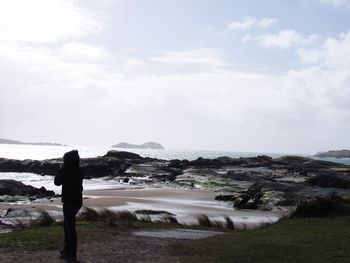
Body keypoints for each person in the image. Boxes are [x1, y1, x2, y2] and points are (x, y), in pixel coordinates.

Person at [54, 150, 84, 262]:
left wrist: (60, 169)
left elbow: (57, 182)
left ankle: (71, 252)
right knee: (67, 226)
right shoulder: (79, 170)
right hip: (77, 201)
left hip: (69, 201)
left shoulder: (67, 171)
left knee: (70, 227)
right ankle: (67, 250)